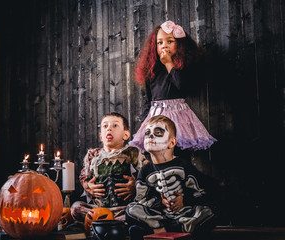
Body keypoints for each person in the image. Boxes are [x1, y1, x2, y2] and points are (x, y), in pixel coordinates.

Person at [129, 20, 216, 152]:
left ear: (179, 45)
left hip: (178, 116)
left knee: (178, 149)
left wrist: (169, 64)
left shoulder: (182, 68)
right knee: (155, 148)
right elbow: (149, 99)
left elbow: (183, 88)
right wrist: (144, 119)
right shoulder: (152, 71)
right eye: (160, 43)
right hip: (156, 116)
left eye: (170, 41)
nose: (164, 46)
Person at [126, 115, 217, 240]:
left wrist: (184, 200)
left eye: (158, 133)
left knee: (208, 213)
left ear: (172, 142)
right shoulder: (145, 170)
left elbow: (202, 193)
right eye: (147, 133)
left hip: (184, 216)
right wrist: (159, 202)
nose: (150, 136)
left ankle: (178, 229)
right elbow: (141, 200)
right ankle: (160, 229)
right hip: (160, 218)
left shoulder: (183, 165)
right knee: (131, 209)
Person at [70, 112, 144, 224]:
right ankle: (108, 222)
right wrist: (88, 185)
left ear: (126, 135)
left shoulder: (132, 152)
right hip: (99, 208)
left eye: (115, 126)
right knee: (76, 208)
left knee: (138, 211)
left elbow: (146, 174)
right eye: (105, 126)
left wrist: (136, 186)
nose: (109, 129)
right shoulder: (94, 155)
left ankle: (104, 223)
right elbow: (84, 175)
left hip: (124, 208)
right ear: (101, 136)